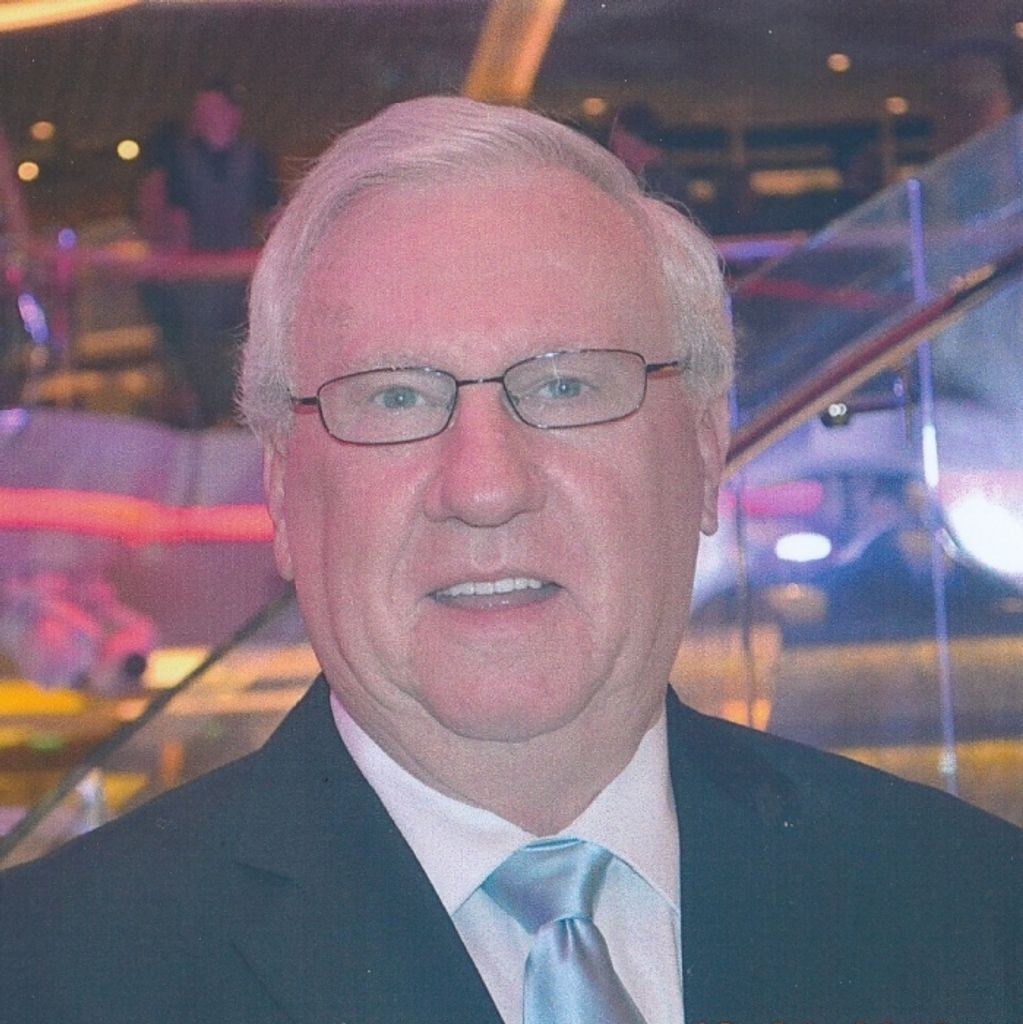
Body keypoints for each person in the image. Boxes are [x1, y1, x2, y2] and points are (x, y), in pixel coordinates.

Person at [1, 96, 1020, 1024]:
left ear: (706, 449)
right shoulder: (51, 976)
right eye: (395, 397)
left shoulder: (975, 911)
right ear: (279, 486)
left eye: (567, 386)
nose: (484, 485)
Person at [167, 83, 278, 426]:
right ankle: (210, 416)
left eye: (214, 108)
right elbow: (177, 220)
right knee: (201, 351)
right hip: (200, 277)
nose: (207, 117)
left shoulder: (254, 156)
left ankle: (246, 419)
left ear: (233, 114)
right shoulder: (182, 159)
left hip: (244, 274)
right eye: (202, 110)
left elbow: (272, 212)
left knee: (247, 347)